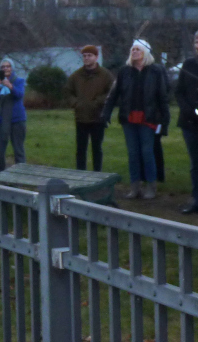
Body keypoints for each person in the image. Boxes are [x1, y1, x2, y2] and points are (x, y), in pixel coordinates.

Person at [101, 39, 170, 200]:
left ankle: (151, 186)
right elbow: (114, 94)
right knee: (133, 153)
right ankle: (135, 186)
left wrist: (164, 121)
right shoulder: (124, 72)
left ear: (145, 52)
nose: (134, 52)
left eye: (138, 49)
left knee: (147, 152)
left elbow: (162, 97)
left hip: (148, 119)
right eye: (133, 49)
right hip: (129, 118)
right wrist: (106, 113)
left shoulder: (155, 71)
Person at [63, 45, 114, 171]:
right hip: (81, 117)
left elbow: (111, 92)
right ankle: (81, 174)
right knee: (81, 149)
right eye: (84, 56)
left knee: (97, 149)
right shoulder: (76, 76)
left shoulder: (105, 75)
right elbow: (67, 92)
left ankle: (97, 175)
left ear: (96, 57)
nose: (86, 58)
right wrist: (76, 103)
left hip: (98, 117)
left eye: (89, 55)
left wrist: (98, 102)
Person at [0, 58, 27, 172]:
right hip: (0, 119)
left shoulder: (19, 81)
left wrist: (10, 86)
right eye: (3, 67)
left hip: (17, 119)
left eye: (8, 66)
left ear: (12, 68)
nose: (5, 68)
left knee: (18, 150)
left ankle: (21, 174)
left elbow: (19, 95)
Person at [176, 30, 198, 213]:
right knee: (195, 163)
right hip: (190, 122)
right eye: (197, 41)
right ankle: (196, 198)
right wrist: (188, 110)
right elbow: (179, 91)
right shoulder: (188, 64)